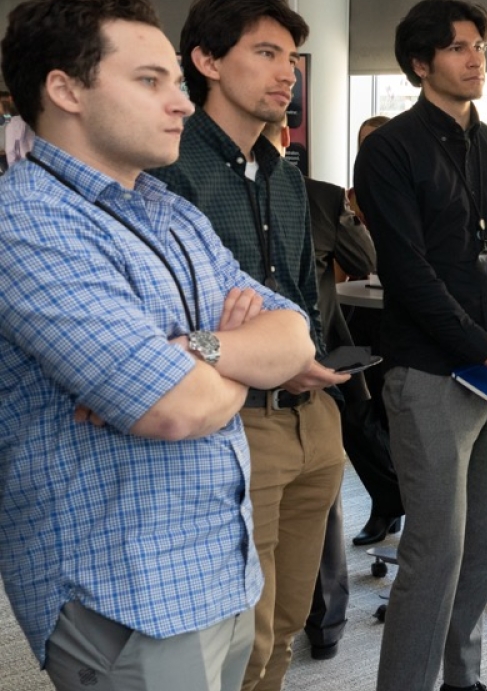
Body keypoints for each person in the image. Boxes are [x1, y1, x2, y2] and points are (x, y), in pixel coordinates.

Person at [0, 1, 316, 689]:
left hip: (219, 570)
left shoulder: (167, 211)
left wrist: (192, 349)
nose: (180, 104)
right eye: (151, 81)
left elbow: (293, 332)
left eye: (177, 81)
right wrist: (230, 352)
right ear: (65, 90)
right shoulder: (27, 222)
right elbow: (175, 407)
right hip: (125, 592)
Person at [148, 2, 346, 689]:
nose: (286, 72)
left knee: (288, 621)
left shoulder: (287, 177)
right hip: (230, 423)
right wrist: (243, 345)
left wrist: (302, 352)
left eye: (290, 58)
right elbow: (169, 332)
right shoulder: (168, 171)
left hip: (312, 418)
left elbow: (299, 301)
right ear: (205, 61)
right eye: (265, 53)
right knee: (243, 638)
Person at [353, 2, 487, 689]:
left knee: (484, 553)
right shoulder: (389, 150)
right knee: (435, 554)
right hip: (432, 377)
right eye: (460, 48)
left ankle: (462, 679)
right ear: (420, 63)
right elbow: (410, 274)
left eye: (480, 48)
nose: (475, 59)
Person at [277, 113, 379, 662]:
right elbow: (364, 259)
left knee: (316, 500)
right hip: (308, 367)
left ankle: (315, 626)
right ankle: (325, 628)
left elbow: (366, 263)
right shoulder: (321, 197)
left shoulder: (317, 197)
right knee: (322, 507)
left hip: (310, 373)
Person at [343, 113, 408, 547]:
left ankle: (395, 502)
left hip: (406, 321)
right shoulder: (347, 200)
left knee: (395, 416)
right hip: (359, 314)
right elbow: (360, 263)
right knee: (355, 418)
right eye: (365, 144)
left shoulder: (412, 194)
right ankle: (389, 497)